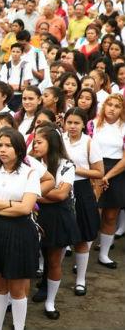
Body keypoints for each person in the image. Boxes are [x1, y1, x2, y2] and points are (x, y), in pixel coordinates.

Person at [0, 127, 41, 330]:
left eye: (8, 146)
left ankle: (18, 327)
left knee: (17, 287)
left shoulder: (30, 172)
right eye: (0, 145)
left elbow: (26, 208)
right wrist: (12, 205)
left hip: (19, 232)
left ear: (19, 149)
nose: (2, 149)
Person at [31, 122, 81, 319]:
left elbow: (62, 195)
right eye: (34, 141)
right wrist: (49, 191)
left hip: (57, 216)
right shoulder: (31, 162)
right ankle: (12, 299)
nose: (34, 145)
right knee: (28, 257)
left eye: (39, 142)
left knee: (53, 260)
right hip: (34, 213)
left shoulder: (66, 164)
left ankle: (50, 301)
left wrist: (35, 194)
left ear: (51, 143)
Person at [62, 108, 104, 296]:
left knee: (82, 237)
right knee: (60, 238)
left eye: (76, 123)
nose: (72, 126)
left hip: (81, 189)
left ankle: (80, 279)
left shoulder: (89, 143)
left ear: (83, 124)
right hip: (62, 189)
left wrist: (75, 169)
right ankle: (51, 278)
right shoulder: (59, 139)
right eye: (69, 122)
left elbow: (99, 172)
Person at [87, 93, 125, 269]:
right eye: (110, 104)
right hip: (94, 168)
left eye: (117, 106)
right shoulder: (93, 124)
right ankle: (83, 255)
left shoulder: (123, 127)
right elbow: (85, 149)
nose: (112, 108)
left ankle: (104, 255)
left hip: (116, 172)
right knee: (92, 213)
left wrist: (107, 177)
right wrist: (95, 175)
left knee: (110, 215)